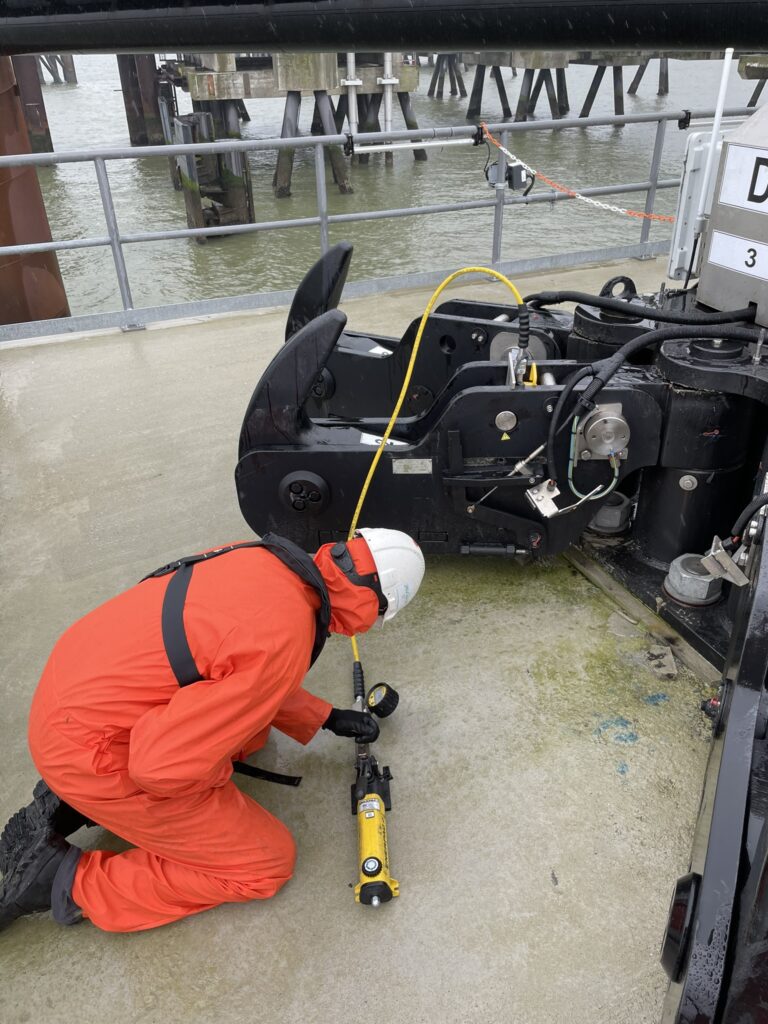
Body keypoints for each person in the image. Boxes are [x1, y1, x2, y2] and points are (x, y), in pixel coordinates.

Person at [0, 528, 425, 933]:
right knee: (263, 864)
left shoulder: (265, 560)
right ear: (375, 605)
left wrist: (322, 716)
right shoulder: (287, 636)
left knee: (248, 732)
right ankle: (62, 879)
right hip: (89, 751)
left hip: (74, 693)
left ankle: (80, 799)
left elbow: (229, 663)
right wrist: (215, 785)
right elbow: (159, 767)